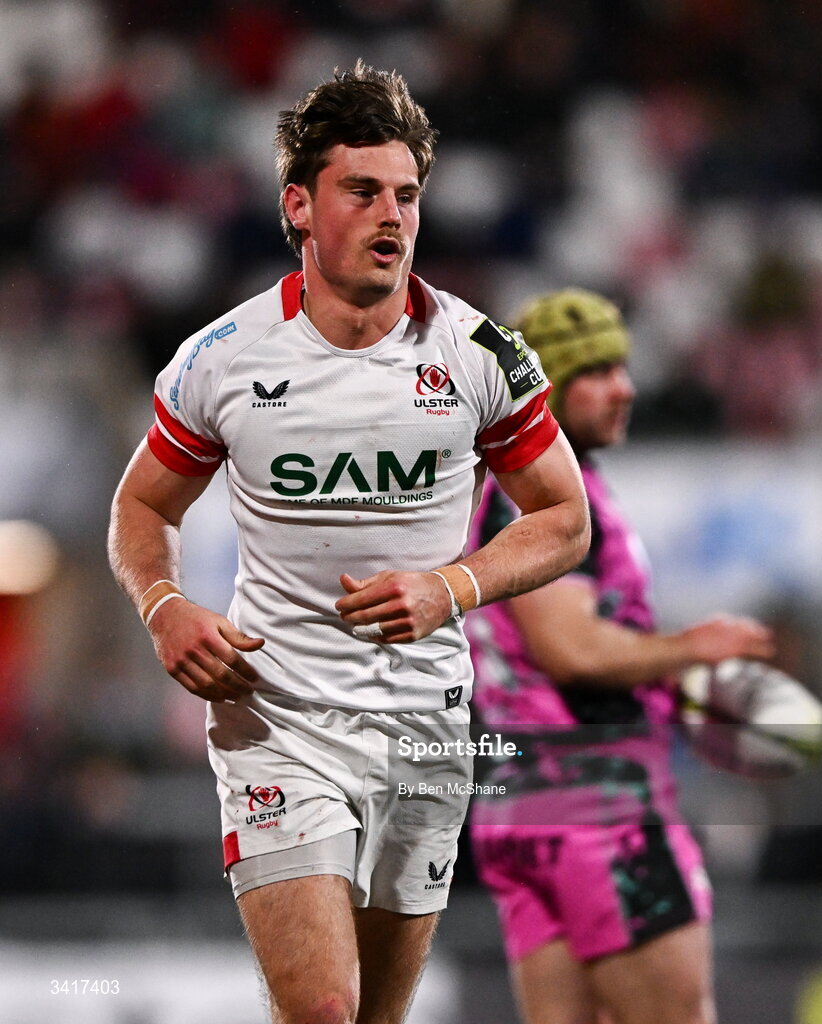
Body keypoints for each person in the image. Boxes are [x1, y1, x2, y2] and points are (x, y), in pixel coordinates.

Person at [107, 63, 589, 1024]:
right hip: (278, 725)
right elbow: (142, 510)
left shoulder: (477, 355)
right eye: (362, 190)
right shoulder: (223, 360)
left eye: (406, 194)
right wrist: (164, 609)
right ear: (299, 204)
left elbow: (563, 519)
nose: (391, 216)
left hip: (424, 728)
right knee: (325, 1010)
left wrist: (451, 586)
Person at [465, 289, 776, 1024]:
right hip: (598, 802)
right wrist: (687, 651)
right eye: (597, 371)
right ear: (545, 387)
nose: (623, 388)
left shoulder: (509, 492)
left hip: (523, 804)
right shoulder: (544, 502)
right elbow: (568, 648)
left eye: (622, 367)